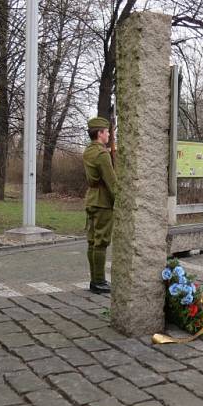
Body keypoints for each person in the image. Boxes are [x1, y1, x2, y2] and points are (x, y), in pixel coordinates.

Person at [83, 117, 117, 295]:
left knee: (92, 241)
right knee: (101, 242)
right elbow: (112, 183)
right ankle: (99, 281)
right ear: (100, 133)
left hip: (91, 199)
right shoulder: (102, 154)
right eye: (107, 131)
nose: (109, 134)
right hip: (103, 202)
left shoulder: (88, 151)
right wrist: (120, 203)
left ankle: (94, 280)